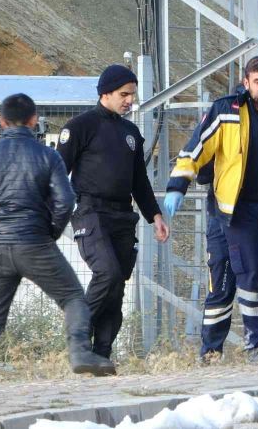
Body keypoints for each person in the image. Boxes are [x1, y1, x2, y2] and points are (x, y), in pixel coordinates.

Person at [0, 94, 113, 383]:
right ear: (34, 121)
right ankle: (80, 353)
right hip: (35, 243)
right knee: (72, 298)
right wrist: (51, 231)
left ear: (1, 122)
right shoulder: (47, 155)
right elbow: (65, 202)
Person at [165, 56, 258, 365]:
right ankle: (256, 343)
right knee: (248, 274)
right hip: (237, 210)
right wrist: (178, 185)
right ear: (246, 84)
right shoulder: (225, 112)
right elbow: (195, 149)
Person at [57, 65, 170, 363]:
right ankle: (77, 334)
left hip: (123, 216)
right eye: (124, 94)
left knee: (117, 285)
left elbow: (139, 181)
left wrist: (154, 216)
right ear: (105, 93)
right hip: (90, 211)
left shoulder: (130, 133)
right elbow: (57, 172)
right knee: (107, 273)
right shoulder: (80, 126)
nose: (130, 100)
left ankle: (101, 355)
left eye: (133, 94)